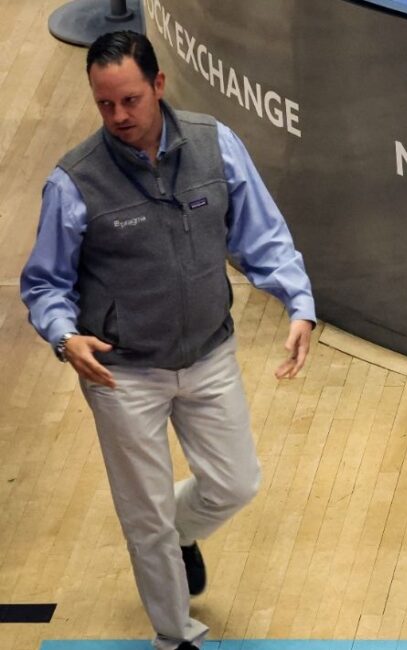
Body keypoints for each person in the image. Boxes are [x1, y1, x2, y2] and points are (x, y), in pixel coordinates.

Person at [20, 30, 315, 650]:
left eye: (129, 100)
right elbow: (44, 284)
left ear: (158, 85)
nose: (118, 117)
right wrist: (63, 337)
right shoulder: (73, 183)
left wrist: (299, 302)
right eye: (105, 105)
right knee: (144, 515)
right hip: (120, 372)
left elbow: (262, 234)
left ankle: (181, 533)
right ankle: (175, 634)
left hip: (209, 352)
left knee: (236, 484)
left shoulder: (217, 146)